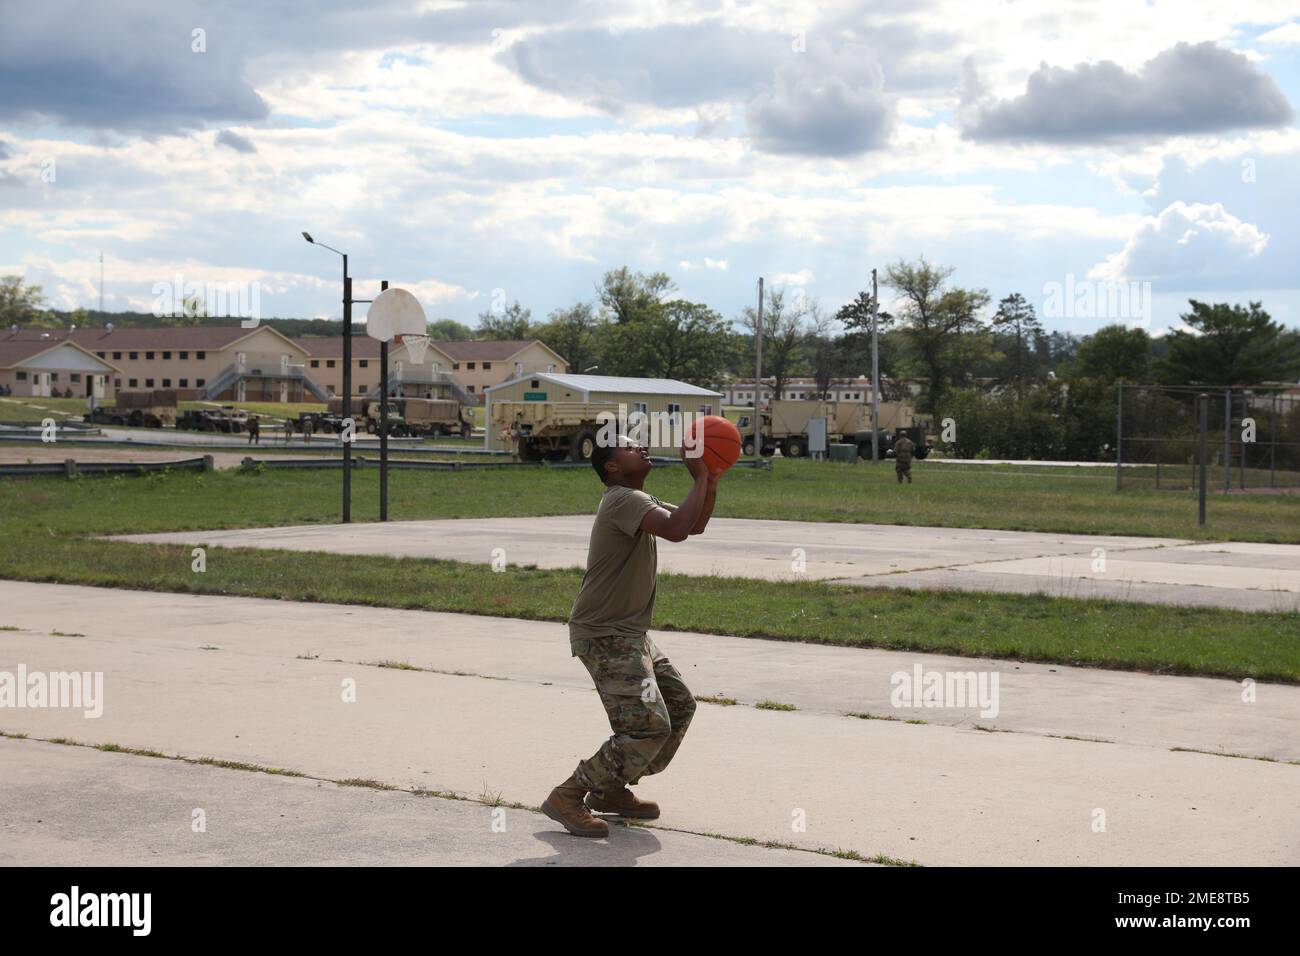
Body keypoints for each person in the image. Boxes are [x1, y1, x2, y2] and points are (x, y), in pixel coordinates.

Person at [542, 435, 718, 838]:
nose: (639, 447)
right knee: (647, 727)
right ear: (612, 467)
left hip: (631, 635)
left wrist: (710, 480)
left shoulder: (637, 500)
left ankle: (610, 789)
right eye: (628, 447)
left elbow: (694, 525)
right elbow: (676, 529)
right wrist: (699, 475)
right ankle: (568, 796)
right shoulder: (622, 498)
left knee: (678, 705)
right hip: (606, 634)